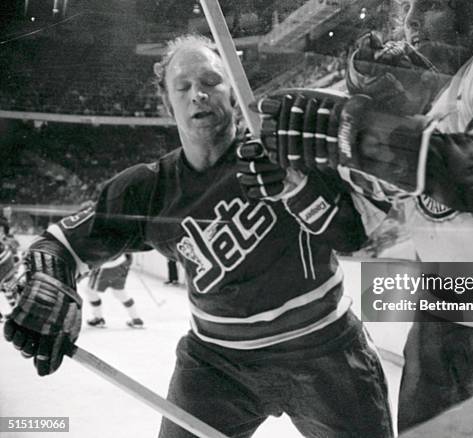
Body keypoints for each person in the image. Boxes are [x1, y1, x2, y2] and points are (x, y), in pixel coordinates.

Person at [3, 34, 393, 438]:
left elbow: (353, 234)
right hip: (217, 366)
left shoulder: (287, 153)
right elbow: (60, 245)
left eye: (210, 82)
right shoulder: (149, 190)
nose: (198, 95)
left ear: (233, 92)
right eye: (183, 87)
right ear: (166, 103)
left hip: (324, 350)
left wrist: (298, 185)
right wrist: (50, 279)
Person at [254, 0, 473, 432]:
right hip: (446, 309)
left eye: (431, 5)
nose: (412, 20)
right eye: (408, 11)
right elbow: (352, 231)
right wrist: (295, 184)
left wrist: (365, 136)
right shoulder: (419, 113)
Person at [82, 253, 144, 328]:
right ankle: (136, 319)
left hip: (107, 266)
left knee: (90, 291)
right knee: (119, 292)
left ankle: (98, 318)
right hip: (121, 264)